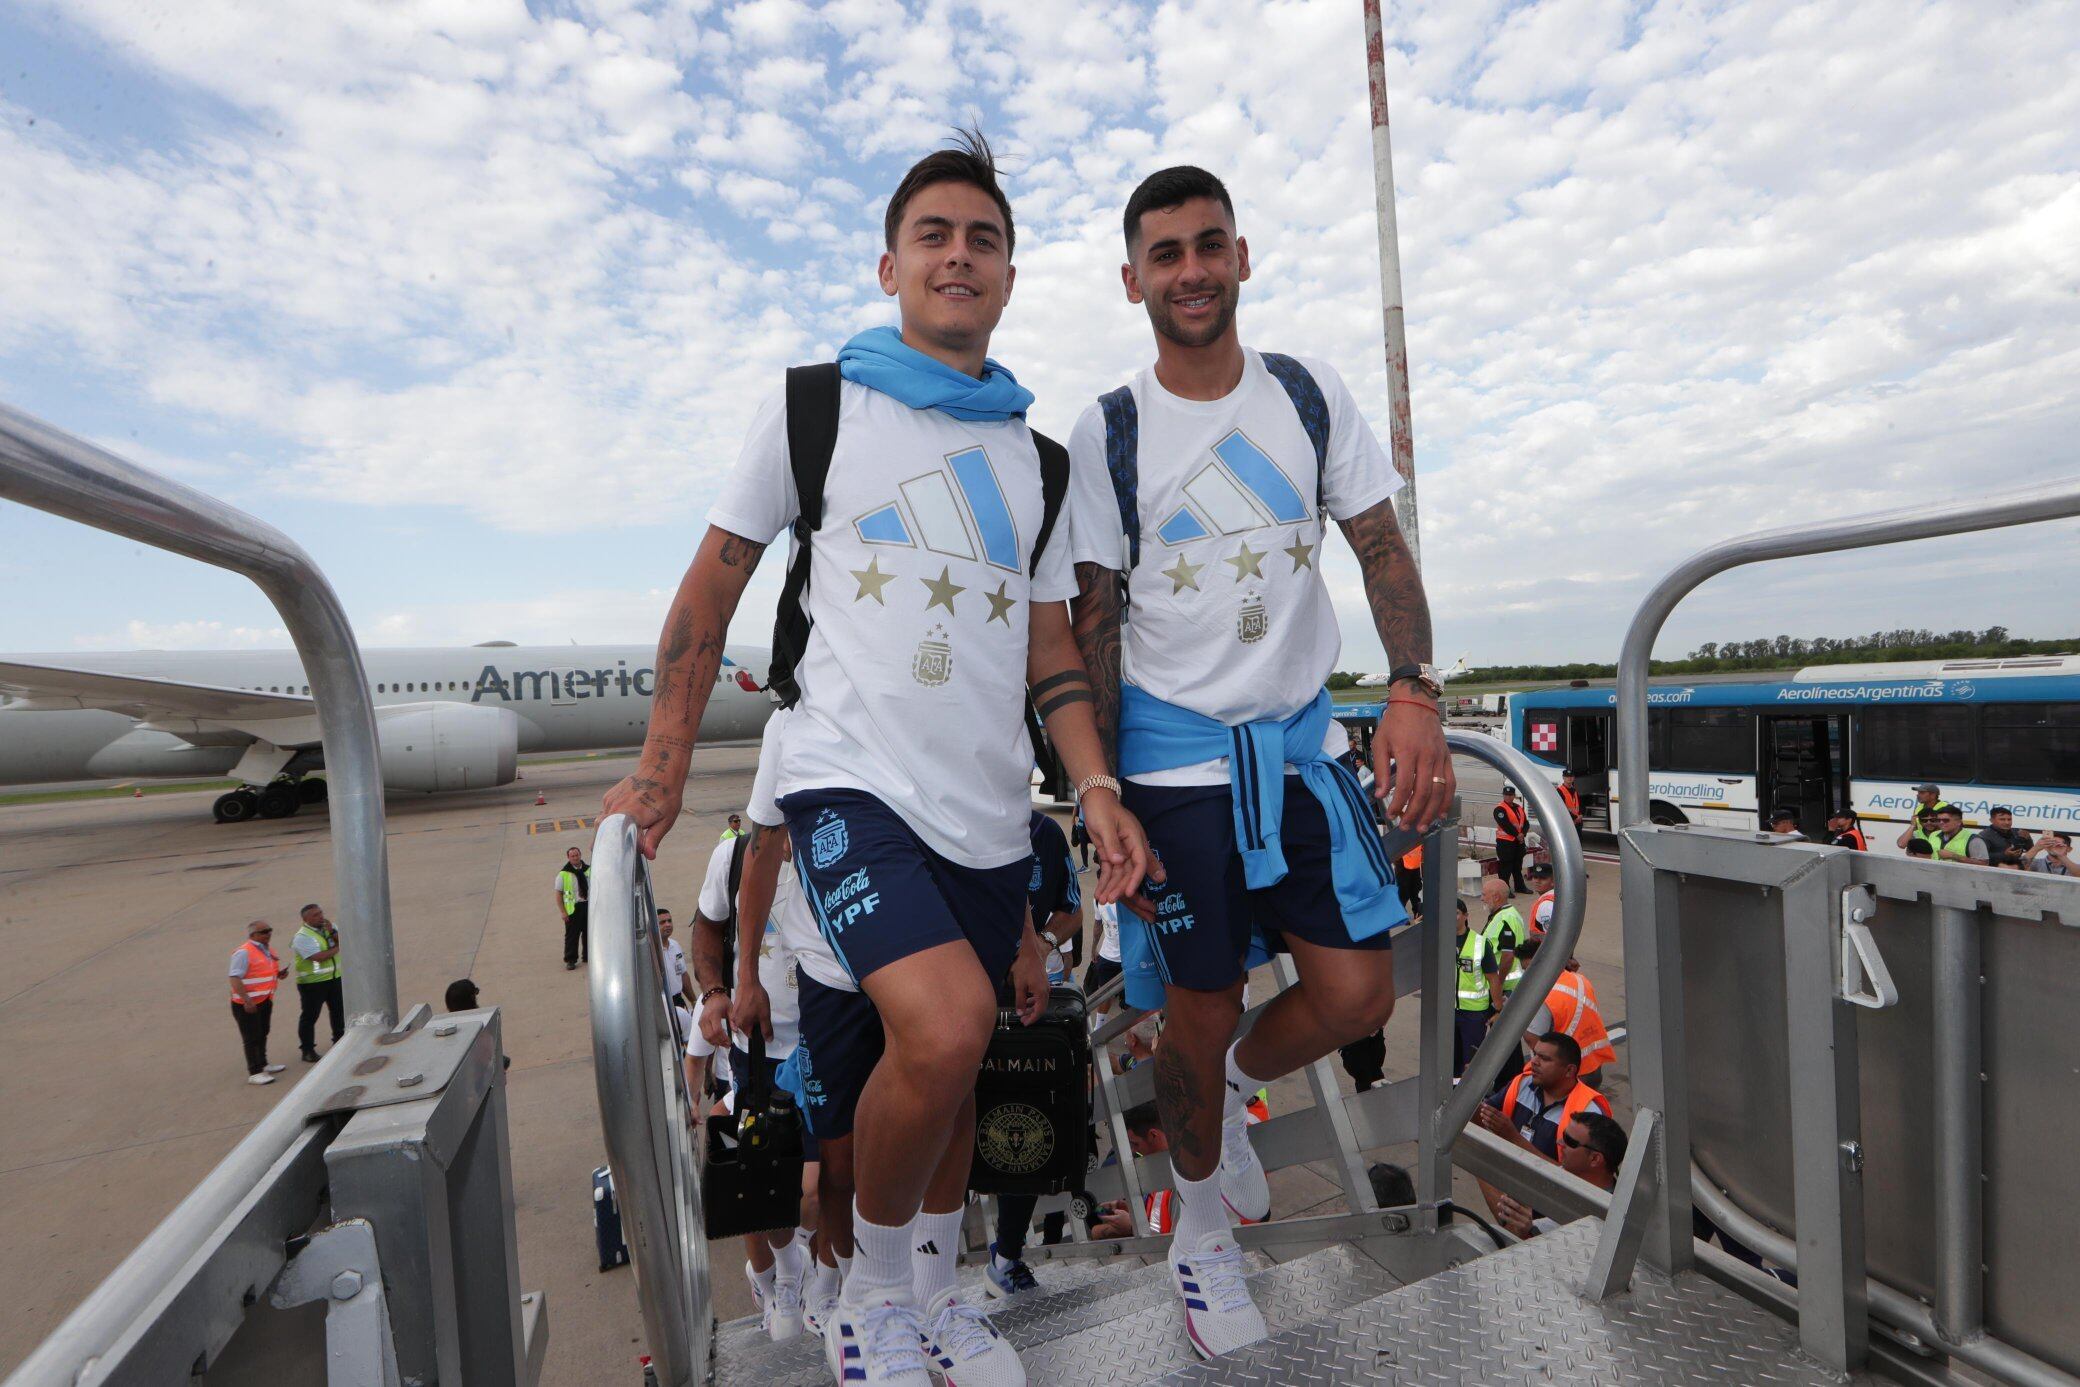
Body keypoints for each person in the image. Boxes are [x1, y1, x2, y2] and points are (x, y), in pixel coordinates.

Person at [605, 130, 1151, 1387]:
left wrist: (1097, 785)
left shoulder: (1036, 458)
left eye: (984, 239)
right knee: (949, 1025)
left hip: (987, 813)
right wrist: (664, 761)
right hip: (847, 782)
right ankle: (868, 1294)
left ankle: (936, 1296)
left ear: (1009, 274)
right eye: (934, 236)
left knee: (953, 1082)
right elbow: (713, 582)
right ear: (890, 263)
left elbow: (1050, 647)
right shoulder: (815, 406)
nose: (958, 256)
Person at [1062, 163, 1452, 1359]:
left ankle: (1223, 1087)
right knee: (1196, 1000)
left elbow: (1379, 545)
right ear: (1133, 278)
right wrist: (1104, 793)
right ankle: (1199, 1244)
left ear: (1242, 257)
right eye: (1166, 253)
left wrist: (1414, 690)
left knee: (1354, 994)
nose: (1190, 270)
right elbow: (1091, 619)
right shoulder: (1111, 429)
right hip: (1176, 765)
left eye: (1208, 246)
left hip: (1299, 747)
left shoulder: (1304, 393)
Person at [691, 795, 816, 1346]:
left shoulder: (837, 838)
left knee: (825, 1175)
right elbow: (705, 929)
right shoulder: (737, 855)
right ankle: (779, 1279)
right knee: (764, 1173)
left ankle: (817, 1274)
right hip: (759, 1049)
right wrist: (716, 992)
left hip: (827, 1039)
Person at [985, 811, 1088, 1300]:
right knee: (942, 1122)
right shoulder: (951, 818)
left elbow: (1072, 909)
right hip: (959, 1000)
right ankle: (924, 1264)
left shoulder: (1045, 834)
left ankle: (1007, 1255)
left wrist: (1040, 943)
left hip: (1025, 1008)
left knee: (1020, 1122)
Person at [1473, 1032, 1613, 1177]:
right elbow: (1481, 1115)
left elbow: (1578, 1180)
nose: (1534, 1062)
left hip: (1547, 1194)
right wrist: (1468, 1094)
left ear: (1569, 1070)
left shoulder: (1590, 1112)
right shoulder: (1522, 1083)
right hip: (1509, 1178)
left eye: (1544, 1058)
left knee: (1479, 1169)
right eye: (1535, 1054)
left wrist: (1514, 1138)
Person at [1493, 1111, 1627, 1239]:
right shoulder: (1567, 1176)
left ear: (1595, 1159)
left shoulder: (1606, 1221)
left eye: (1569, 1141)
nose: (1559, 1142)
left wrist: (1529, 1232)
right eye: (1563, 1135)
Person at [1507, 936, 1616, 1088]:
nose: (1527, 974)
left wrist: (1518, 1014)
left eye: (1528, 969)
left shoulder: (1542, 994)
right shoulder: (1580, 980)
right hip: (1592, 1066)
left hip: (1565, 1075)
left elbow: (1534, 1041)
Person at [1089, 1102, 1176, 1238]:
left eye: (1135, 1143)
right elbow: (1159, 1218)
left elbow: (1180, 1242)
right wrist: (1133, 1211)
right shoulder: (1158, 1167)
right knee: (1096, 1232)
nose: (1133, 1150)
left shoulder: (1181, 1176)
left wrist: (1132, 1227)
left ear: (1153, 1135)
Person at [228, 920, 289, 1085]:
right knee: (251, 1037)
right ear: (253, 935)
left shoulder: (267, 950)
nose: (268, 934)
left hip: (265, 999)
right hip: (247, 1003)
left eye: (269, 930)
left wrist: (279, 974)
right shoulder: (244, 952)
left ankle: (263, 1063)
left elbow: (263, 972)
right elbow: (234, 978)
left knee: (263, 1032)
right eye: (263, 932)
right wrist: (247, 1000)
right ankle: (254, 1072)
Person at [289, 902, 344, 1063]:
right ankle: (307, 1050)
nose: (321, 917)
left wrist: (333, 932)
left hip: (334, 978)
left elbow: (343, 939)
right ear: (305, 919)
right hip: (312, 983)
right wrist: (339, 947)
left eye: (321, 913)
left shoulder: (329, 927)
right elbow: (319, 957)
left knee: (338, 1011)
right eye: (316, 915)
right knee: (310, 1016)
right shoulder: (302, 937)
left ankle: (339, 1040)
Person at [1452, 896, 1495, 1079]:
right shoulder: (1439, 941)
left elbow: (1493, 979)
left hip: (1474, 1013)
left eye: (1456, 913)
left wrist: (1498, 1008)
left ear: (1466, 915)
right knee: (1450, 1060)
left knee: (1471, 1061)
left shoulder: (1480, 943)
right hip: (1448, 1011)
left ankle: (1474, 1102)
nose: (1452, 918)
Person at [1480, 876, 1527, 1002]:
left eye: (1484, 895)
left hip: (1506, 986)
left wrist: (1498, 983)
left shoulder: (1507, 918)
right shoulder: (1501, 915)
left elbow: (1508, 955)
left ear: (1496, 897)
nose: (1481, 898)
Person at [1084, 898, 1123, 1008]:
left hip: (1107, 957)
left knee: (1105, 994)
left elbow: (1097, 925)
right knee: (1130, 999)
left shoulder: (1098, 898)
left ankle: (1099, 1024)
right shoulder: (1131, 895)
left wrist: (1094, 948)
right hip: (1128, 958)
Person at [555, 845, 589, 970]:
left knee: (589, 933)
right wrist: (563, 912)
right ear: (568, 858)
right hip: (573, 909)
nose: (575, 857)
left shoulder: (589, 870)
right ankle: (571, 959)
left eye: (577, 855)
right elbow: (558, 894)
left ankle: (588, 956)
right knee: (572, 936)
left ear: (580, 855)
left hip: (588, 906)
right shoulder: (563, 874)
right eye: (572, 856)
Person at [1895, 783, 1954, 852]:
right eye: (1918, 793)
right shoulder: (1919, 808)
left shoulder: (1946, 808)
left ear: (1933, 795)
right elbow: (1916, 828)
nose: (1918, 795)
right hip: (1922, 845)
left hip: (1940, 845)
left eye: (1922, 793)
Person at [1492, 786, 1529, 892]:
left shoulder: (1518, 808)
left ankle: (1520, 887)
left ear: (1514, 796)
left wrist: (1523, 833)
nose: (1508, 797)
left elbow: (1525, 823)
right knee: (1505, 867)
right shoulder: (1500, 809)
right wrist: (1517, 834)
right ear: (1503, 795)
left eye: (1510, 795)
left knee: (1517, 866)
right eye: (1506, 795)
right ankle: (1504, 890)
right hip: (1505, 842)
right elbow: (1505, 824)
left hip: (1518, 841)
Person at [659, 907, 691, 1006]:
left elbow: (683, 974)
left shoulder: (675, 945)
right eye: (662, 922)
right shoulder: (652, 951)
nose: (667, 924)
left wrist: (693, 1000)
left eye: (669, 921)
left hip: (678, 1000)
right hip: (662, 1004)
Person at [1525, 860, 1554, 938]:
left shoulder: (1546, 905)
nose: (1537, 881)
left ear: (1553, 881)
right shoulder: (1555, 896)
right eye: (1535, 877)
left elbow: (1551, 938)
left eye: (1543, 878)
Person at [1556, 769, 1583, 833]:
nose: (1569, 778)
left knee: (1578, 842)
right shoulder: (1559, 790)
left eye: (1571, 776)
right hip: (1568, 822)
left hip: (1577, 822)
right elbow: (1561, 808)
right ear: (1563, 777)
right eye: (1567, 776)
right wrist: (1575, 818)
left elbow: (1579, 804)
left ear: (1574, 778)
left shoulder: (1574, 790)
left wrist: (1581, 815)